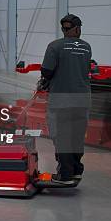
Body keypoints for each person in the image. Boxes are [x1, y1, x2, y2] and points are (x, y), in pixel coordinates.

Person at [39, 14, 92, 185]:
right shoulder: (86, 47)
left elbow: (47, 71)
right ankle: (76, 171)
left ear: (66, 29)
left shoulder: (55, 46)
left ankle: (65, 175)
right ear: (78, 29)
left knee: (62, 137)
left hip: (61, 101)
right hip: (82, 100)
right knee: (77, 137)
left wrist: (46, 82)